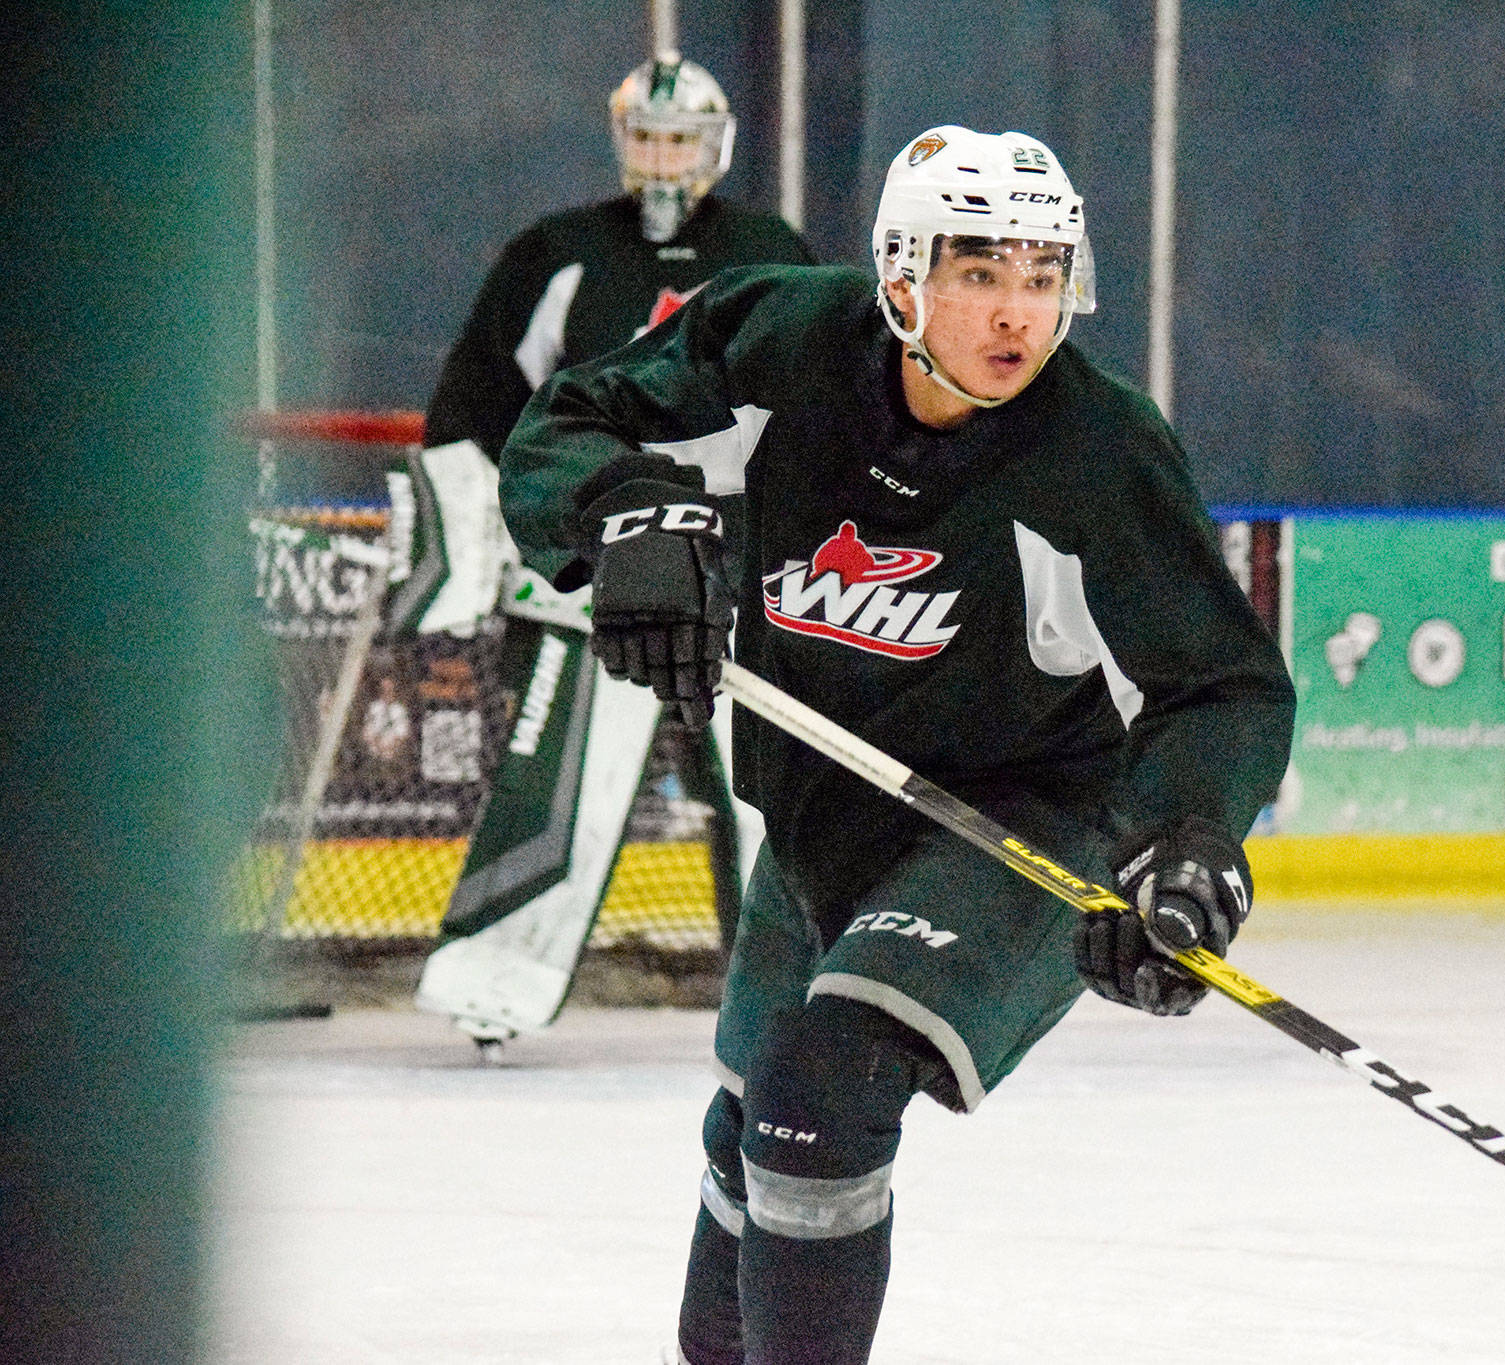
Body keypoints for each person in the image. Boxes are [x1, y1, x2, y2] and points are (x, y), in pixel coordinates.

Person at [498, 125, 1295, 1363]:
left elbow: (1221, 688)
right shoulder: (782, 337)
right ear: (900, 273)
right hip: (818, 823)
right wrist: (626, 520)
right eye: (980, 272)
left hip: (1021, 825)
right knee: (752, 1124)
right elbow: (571, 417)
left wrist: (1181, 847)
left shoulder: (1096, 447)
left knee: (823, 1093)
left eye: (1042, 275)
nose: (1016, 314)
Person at [406, 53, 812, 1045]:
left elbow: (821, 408)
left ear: (717, 144)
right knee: (560, 774)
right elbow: (472, 408)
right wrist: (474, 544)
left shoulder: (772, 252)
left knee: (780, 785)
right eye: (648, 136)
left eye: (682, 138)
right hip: (605, 543)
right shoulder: (556, 253)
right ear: (620, 139)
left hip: (743, 552)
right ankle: (491, 982)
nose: (664, 159)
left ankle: (809, 976)